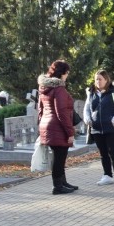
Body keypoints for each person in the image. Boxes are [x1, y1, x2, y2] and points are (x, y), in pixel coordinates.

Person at [37, 59, 77, 195]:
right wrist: (70, 131)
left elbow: (40, 109)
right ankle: (57, 186)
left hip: (47, 124)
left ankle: (63, 182)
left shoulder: (44, 87)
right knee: (60, 158)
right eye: (67, 72)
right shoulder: (59, 89)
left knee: (59, 156)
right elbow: (62, 112)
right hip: (57, 126)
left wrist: (40, 127)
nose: (68, 75)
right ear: (63, 73)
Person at [84, 69, 114, 187]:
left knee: (113, 151)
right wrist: (88, 119)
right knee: (103, 153)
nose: (98, 81)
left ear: (106, 80)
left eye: (100, 79)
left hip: (111, 129)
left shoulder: (113, 93)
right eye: (96, 79)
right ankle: (107, 175)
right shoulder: (91, 93)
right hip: (96, 129)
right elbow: (87, 108)